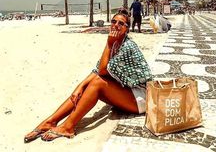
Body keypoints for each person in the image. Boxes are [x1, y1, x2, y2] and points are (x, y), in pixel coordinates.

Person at [24, 8, 152, 143]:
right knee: (86, 87)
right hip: (128, 92)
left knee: (98, 83)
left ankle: (68, 127)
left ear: (127, 29)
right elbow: (97, 69)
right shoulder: (115, 43)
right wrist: (79, 87)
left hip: (141, 97)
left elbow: (102, 71)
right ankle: (50, 121)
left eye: (121, 24)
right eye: (114, 21)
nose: (116, 25)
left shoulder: (127, 46)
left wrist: (108, 44)